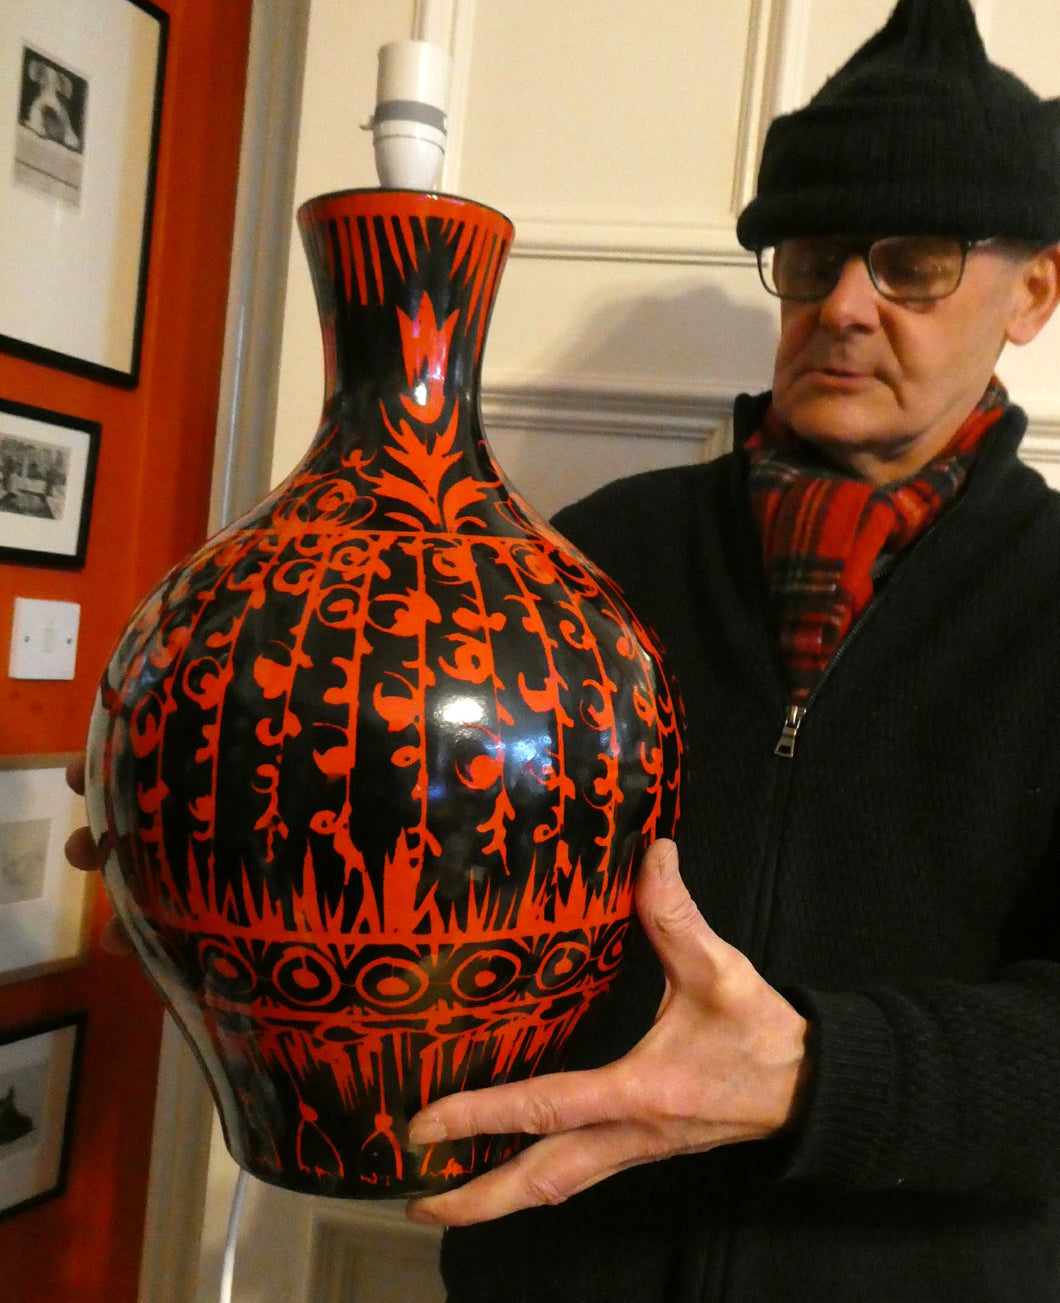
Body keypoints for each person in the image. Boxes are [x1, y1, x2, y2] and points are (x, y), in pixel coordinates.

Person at [68, 1, 1060, 1298]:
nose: (847, 306)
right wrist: (209, 809)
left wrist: (822, 1071)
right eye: (811, 257)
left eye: (911, 261)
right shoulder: (585, 567)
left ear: (1035, 289)